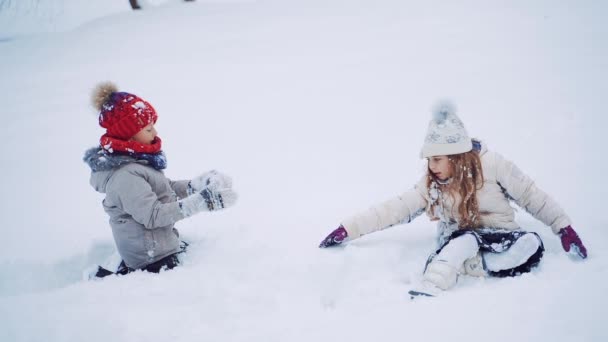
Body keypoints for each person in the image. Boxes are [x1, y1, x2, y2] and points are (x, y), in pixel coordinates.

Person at [318, 101, 587, 297]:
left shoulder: (493, 165)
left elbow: (531, 195)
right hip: (459, 239)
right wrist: (348, 229)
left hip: (500, 236)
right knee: (466, 241)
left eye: (437, 159)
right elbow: (395, 208)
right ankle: (432, 283)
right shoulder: (432, 185)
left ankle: (477, 265)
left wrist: (563, 226)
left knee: (532, 243)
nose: (432, 166)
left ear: (456, 156)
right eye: (429, 160)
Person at [83, 82, 237, 277]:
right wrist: (201, 202)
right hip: (152, 260)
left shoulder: (135, 163)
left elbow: (164, 187)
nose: (155, 133)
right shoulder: (125, 175)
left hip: (159, 247)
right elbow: (153, 216)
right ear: (129, 137)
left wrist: (195, 186)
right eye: (148, 129)